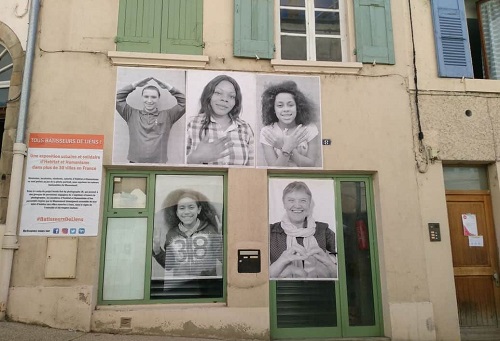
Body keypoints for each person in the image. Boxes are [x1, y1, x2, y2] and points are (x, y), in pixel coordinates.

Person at [269, 181, 337, 279]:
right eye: (291, 200)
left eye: (303, 200)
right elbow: (257, 276)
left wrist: (329, 263)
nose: (297, 205)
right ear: (284, 204)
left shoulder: (323, 230)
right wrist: (281, 263)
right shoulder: (270, 232)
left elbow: (346, 269)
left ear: (309, 204)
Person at [186, 74, 254, 166]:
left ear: (235, 102)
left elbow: (253, 170)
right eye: (218, 93)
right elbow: (175, 170)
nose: (224, 99)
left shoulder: (245, 128)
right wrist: (195, 158)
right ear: (208, 96)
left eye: (231, 96)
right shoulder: (192, 124)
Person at [153, 189, 222, 278]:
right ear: (177, 213)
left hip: (207, 286)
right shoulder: (172, 234)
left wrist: (221, 237)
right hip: (182, 286)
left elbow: (222, 258)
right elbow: (169, 265)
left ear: (199, 210)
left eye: (191, 207)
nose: (186, 212)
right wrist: (157, 249)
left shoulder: (210, 230)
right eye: (182, 208)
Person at [116, 76, 186, 163]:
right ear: (142, 97)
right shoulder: (131, 114)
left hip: (158, 165)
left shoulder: (168, 115)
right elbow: (117, 98)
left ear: (158, 98)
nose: (149, 100)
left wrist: (168, 87)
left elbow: (185, 102)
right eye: (146, 96)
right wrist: (135, 85)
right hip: (135, 164)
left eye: (153, 97)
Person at [260, 81, 320, 167]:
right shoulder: (267, 132)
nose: (286, 109)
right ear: (273, 109)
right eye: (280, 105)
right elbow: (275, 169)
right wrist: (287, 147)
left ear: (298, 107)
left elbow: (311, 164)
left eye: (290, 105)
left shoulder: (310, 128)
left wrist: (283, 146)